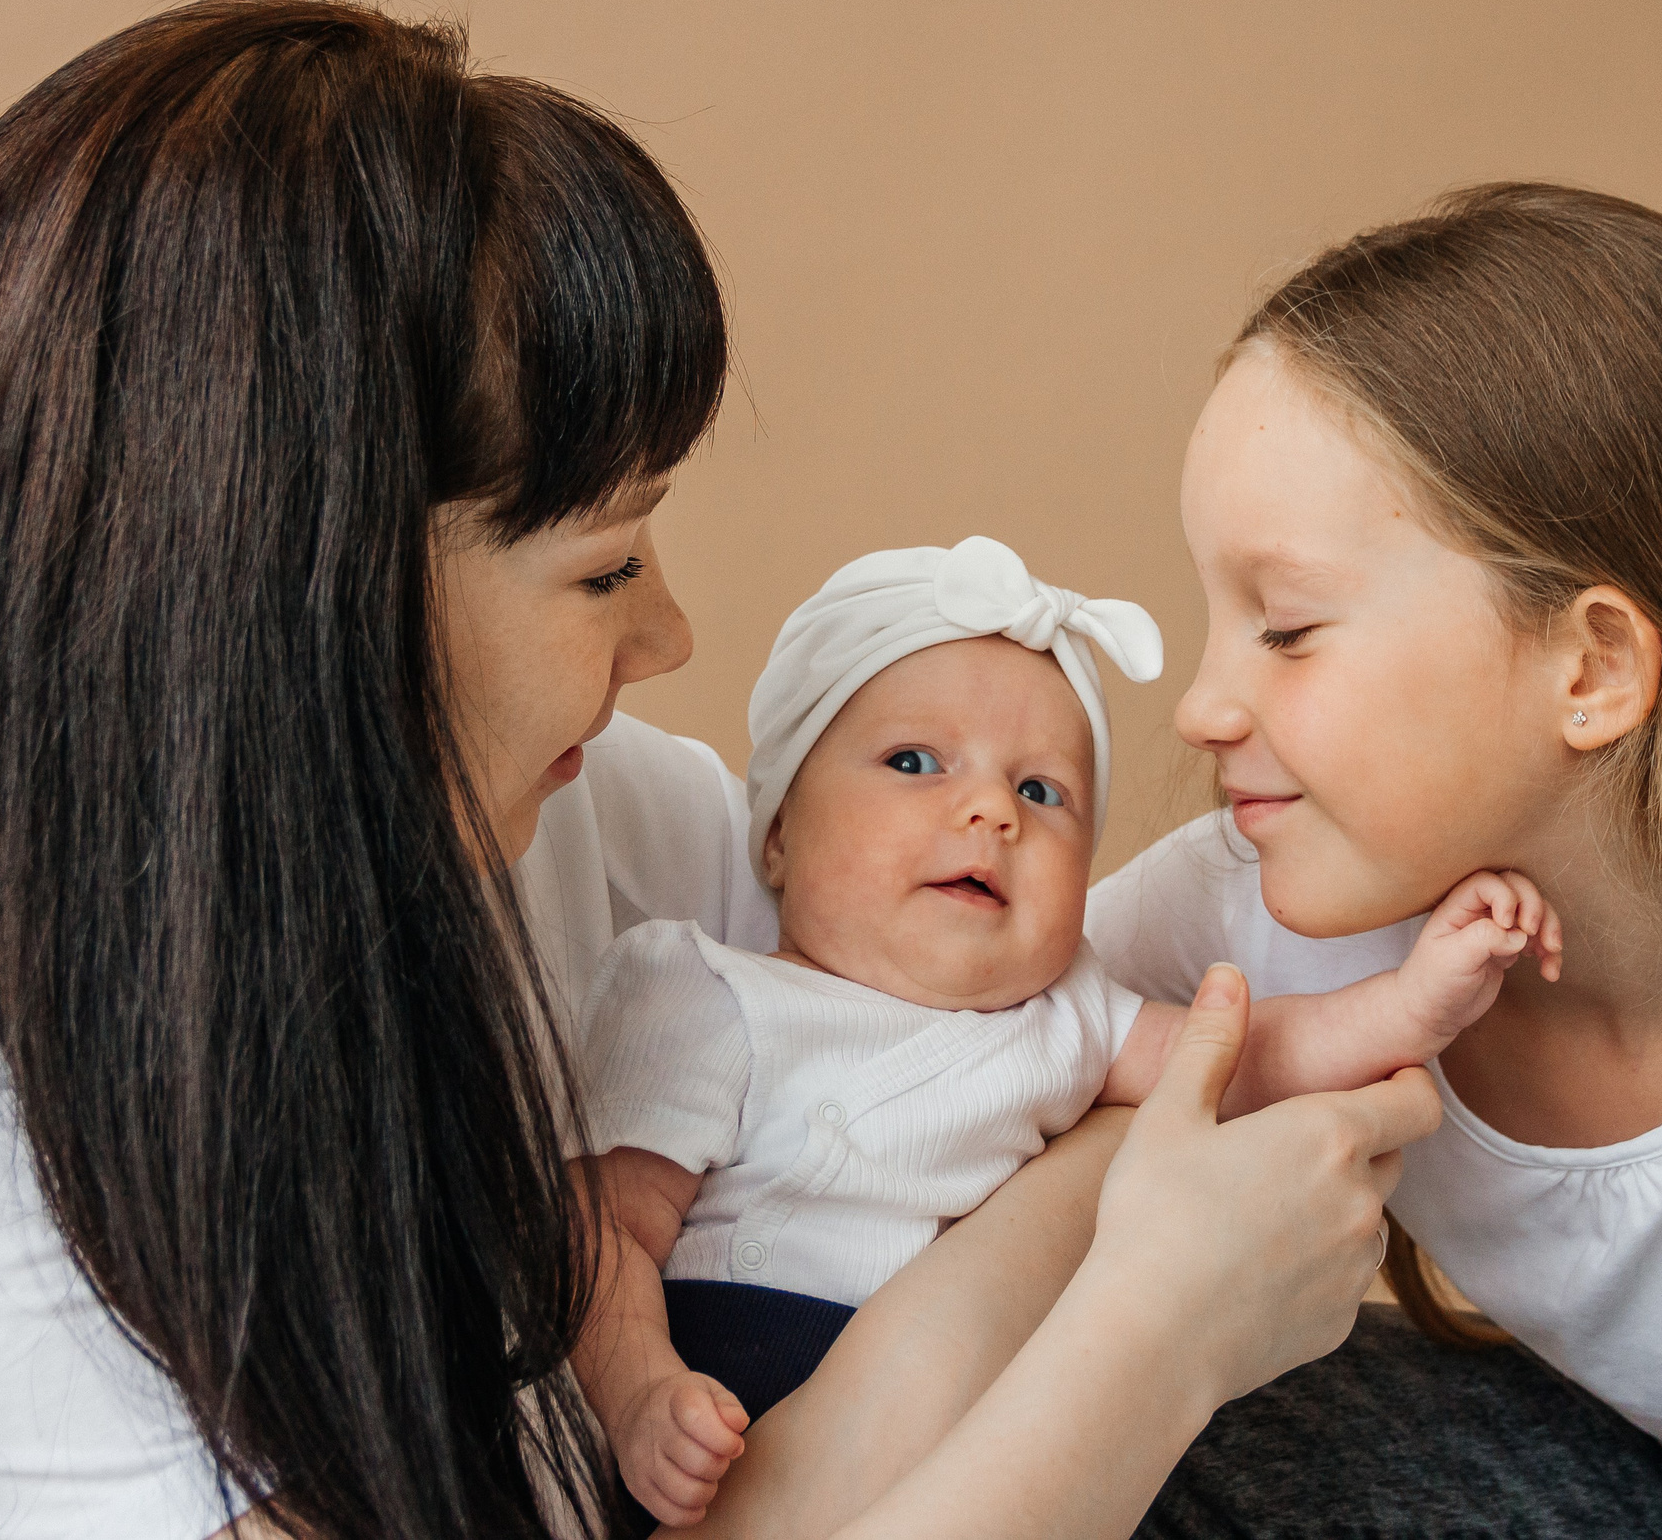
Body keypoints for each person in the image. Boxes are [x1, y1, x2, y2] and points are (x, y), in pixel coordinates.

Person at [0, 0, 1434, 1540]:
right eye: (605, 565)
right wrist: (1149, 1326)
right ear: (297, 608)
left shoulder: (593, 827)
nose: (672, 639)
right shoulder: (21, 1246)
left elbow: (975, 1064)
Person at [1086, 183, 1662, 1539]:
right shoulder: (1255, 915)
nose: (1202, 705)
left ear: (1590, 667)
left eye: (1284, 629)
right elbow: (903, 1040)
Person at [574, 537, 1556, 1527]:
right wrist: (640, 1390)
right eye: (915, 761)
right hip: (722, 1410)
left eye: (1042, 791)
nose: (990, 808)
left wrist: (1414, 999)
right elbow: (604, 1229)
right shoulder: (708, 992)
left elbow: (1243, 1059)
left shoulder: (1068, 1015)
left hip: (1007, 1440)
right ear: (778, 831)